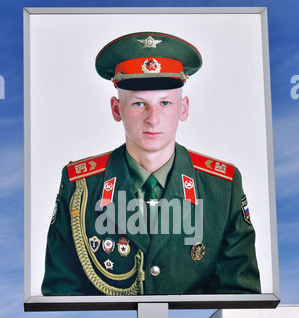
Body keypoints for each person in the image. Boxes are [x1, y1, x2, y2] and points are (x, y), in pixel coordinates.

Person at [41, 31, 261, 296]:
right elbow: (60, 298)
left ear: (184, 109)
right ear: (116, 109)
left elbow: (240, 301)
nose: (153, 119)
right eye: (138, 104)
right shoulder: (80, 185)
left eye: (165, 103)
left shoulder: (222, 187)